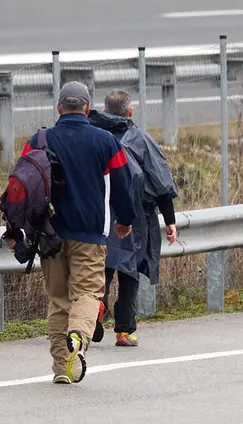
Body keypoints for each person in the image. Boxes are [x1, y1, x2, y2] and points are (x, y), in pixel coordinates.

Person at [20, 81, 138, 384]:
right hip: (90, 232)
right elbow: (123, 184)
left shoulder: (39, 140)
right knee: (87, 293)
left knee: (58, 299)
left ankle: (63, 368)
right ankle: (79, 335)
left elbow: (21, 182)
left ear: (59, 107)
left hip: (50, 232)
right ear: (87, 108)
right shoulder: (105, 141)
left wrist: (21, 229)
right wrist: (125, 219)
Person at [89, 90, 180, 348]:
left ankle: (95, 310)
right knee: (130, 272)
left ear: (104, 111)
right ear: (130, 112)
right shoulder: (140, 139)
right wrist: (170, 221)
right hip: (134, 217)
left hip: (100, 215)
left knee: (101, 269)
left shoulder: (94, 137)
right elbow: (160, 181)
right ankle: (124, 331)